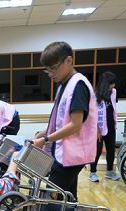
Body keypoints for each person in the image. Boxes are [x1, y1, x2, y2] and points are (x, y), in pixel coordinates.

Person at [32, 41, 98, 201]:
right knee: (67, 199)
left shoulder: (78, 85)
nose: (51, 73)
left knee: (50, 198)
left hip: (72, 155)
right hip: (66, 153)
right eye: (47, 70)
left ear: (69, 60)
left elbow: (75, 124)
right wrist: (46, 132)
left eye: (54, 68)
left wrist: (46, 139)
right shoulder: (64, 85)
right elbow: (62, 119)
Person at [89, 72, 120, 182]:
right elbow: (92, 114)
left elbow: (114, 107)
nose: (113, 86)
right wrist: (97, 129)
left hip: (111, 126)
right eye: (111, 83)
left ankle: (110, 172)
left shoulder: (114, 92)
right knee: (97, 151)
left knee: (111, 150)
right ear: (105, 84)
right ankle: (92, 172)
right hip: (99, 128)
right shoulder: (95, 94)